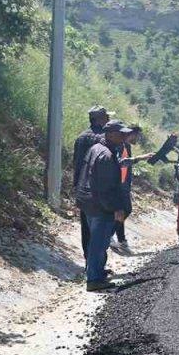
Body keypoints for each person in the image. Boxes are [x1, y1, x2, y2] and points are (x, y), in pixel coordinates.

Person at [75, 120, 132, 291]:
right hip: (100, 207)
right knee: (99, 245)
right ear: (110, 135)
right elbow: (106, 188)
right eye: (121, 134)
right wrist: (116, 208)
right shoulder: (106, 155)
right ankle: (94, 280)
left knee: (96, 243)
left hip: (89, 204)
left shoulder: (96, 149)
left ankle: (97, 273)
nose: (124, 137)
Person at [72, 106, 109, 259]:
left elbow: (76, 164)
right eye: (106, 116)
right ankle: (96, 267)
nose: (108, 119)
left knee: (86, 228)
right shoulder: (103, 139)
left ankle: (88, 260)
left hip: (82, 189)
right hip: (98, 191)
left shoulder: (81, 137)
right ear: (100, 119)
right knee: (99, 228)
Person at [112, 127, 155, 255]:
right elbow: (121, 163)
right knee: (125, 210)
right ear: (130, 134)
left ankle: (121, 240)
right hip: (118, 185)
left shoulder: (127, 146)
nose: (137, 139)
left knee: (123, 211)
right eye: (136, 136)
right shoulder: (120, 146)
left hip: (123, 185)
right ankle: (109, 235)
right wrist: (140, 158)